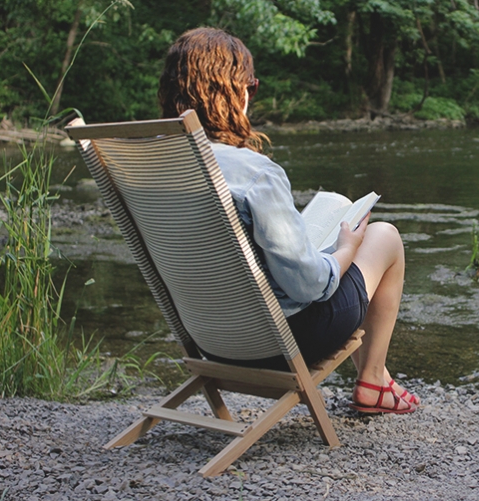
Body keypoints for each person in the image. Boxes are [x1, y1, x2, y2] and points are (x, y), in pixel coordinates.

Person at [157, 27, 419, 414]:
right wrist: (345, 249)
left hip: (209, 342)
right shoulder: (254, 173)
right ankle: (373, 380)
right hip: (280, 344)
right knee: (383, 236)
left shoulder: (151, 168)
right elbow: (311, 284)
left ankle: (377, 380)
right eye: (251, 86)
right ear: (236, 93)